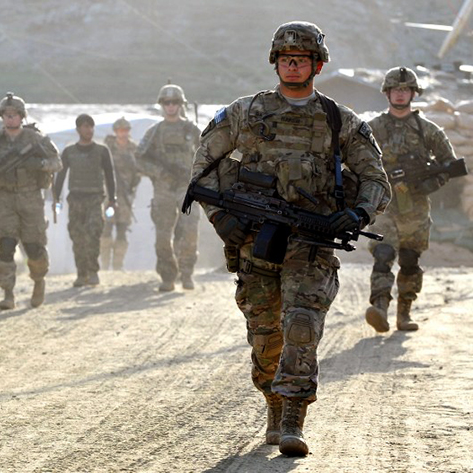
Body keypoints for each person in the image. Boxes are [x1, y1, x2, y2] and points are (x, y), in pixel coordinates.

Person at [189, 22, 390, 456]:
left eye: (301, 58)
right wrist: (222, 218)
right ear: (275, 62)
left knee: (301, 327)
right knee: (265, 338)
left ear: (317, 64)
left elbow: (376, 177)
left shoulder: (340, 120)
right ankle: (273, 404)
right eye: (285, 58)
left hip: (312, 244)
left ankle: (293, 419)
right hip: (255, 243)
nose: (293, 64)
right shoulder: (245, 112)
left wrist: (357, 212)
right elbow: (203, 167)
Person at [364, 67, 459, 332]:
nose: (400, 93)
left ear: (413, 93)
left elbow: (449, 165)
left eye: (405, 89)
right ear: (387, 93)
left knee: (409, 260)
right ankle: (379, 307)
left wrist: (431, 183)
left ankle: (404, 313)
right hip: (384, 204)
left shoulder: (428, 130)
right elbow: (357, 161)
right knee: (383, 255)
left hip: (415, 206)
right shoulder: (373, 128)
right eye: (396, 89)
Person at [0, 92, 61, 310]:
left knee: (34, 247)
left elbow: (56, 162)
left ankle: (38, 280)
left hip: (30, 197)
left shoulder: (36, 139)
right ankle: (8, 293)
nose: (9, 119)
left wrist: (37, 163)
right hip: (4, 199)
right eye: (6, 115)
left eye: (14, 115)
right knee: (5, 246)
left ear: (22, 117)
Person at [136, 83, 200, 291]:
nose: (170, 106)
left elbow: (207, 154)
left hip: (186, 188)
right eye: (166, 102)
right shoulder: (154, 132)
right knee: (163, 236)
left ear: (181, 104)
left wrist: (196, 175)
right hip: (163, 188)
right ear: (161, 105)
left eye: (174, 102)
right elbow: (139, 158)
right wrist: (159, 172)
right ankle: (167, 275)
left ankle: (187, 273)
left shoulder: (192, 129)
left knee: (189, 232)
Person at [53, 114, 116, 287]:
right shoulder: (69, 152)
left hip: (95, 199)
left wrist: (112, 199)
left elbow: (110, 176)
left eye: (90, 126)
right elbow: (60, 176)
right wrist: (56, 198)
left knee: (94, 234)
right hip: (76, 200)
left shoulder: (102, 151)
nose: (88, 130)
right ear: (78, 129)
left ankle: (93, 272)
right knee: (78, 237)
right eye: (84, 126)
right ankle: (82, 274)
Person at [100, 117, 141, 270]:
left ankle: (118, 265)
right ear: (115, 132)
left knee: (122, 229)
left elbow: (138, 171)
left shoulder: (134, 149)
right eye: (119, 131)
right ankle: (104, 265)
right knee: (106, 228)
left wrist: (131, 187)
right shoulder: (108, 148)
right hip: (109, 195)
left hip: (126, 195)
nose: (122, 134)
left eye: (125, 131)